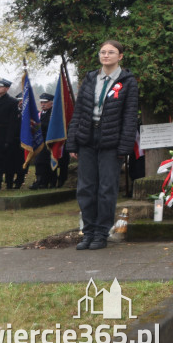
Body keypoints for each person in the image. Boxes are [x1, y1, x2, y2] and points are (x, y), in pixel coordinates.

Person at [67, 40, 139, 250]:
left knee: (106, 189)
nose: (106, 55)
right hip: (87, 139)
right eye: (103, 52)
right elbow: (79, 112)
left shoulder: (127, 82)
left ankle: (101, 233)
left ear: (120, 56)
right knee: (86, 188)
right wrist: (72, 142)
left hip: (111, 141)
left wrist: (124, 147)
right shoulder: (90, 79)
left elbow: (130, 116)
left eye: (111, 52)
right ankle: (88, 232)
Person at [29, 93, 56, 189]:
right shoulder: (40, 114)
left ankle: (46, 181)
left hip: (49, 141)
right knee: (39, 162)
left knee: (45, 162)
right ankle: (41, 181)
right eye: (41, 102)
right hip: (39, 141)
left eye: (45, 102)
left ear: (51, 103)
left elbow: (50, 126)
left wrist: (38, 125)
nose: (43, 104)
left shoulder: (53, 114)